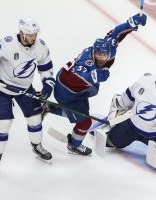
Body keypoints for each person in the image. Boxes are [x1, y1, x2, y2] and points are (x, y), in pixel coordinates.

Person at [43, 13, 147, 156]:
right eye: (98, 54)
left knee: (83, 115)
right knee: (85, 122)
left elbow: (117, 33)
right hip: (66, 89)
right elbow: (74, 77)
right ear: (94, 52)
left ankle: (49, 108)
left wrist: (132, 23)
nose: (101, 58)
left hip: (79, 91)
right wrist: (93, 76)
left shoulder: (109, 47)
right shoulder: (87, 61)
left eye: (104, 55)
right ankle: (73, 144)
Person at [0, 17, 55, 174]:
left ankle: (36, 146)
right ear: (21, 33)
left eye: (35, 33)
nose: (34, 37)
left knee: (35, 119)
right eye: (30, 34)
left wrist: (48, 83)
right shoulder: (7, 43)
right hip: (2, 89)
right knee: (3, 124)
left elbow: (46, 67)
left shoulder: (41, 47)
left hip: (25, 89)